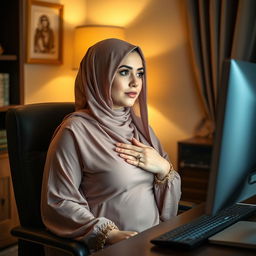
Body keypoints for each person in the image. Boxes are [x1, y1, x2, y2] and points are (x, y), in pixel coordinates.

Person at [41, 38, 181, 253]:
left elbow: (169, 201)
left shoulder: (141, 128)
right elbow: (59, 201)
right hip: (113, 247)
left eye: (140, 73)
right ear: (100, 75)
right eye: (124, 72)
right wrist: (108, 233)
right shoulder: (75, 130)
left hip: (156, 243)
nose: (135, 82)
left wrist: (163, 168)